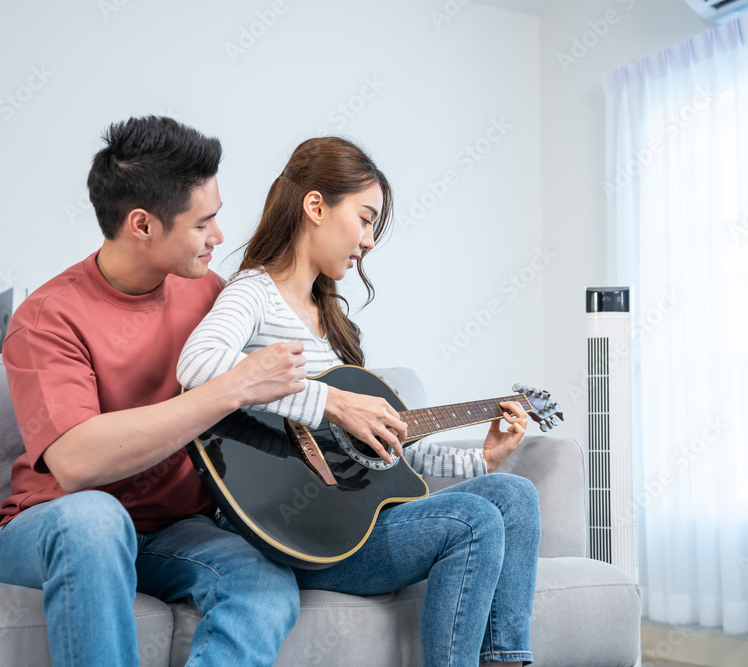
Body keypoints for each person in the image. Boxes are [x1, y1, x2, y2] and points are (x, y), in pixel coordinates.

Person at [177, 136, 541, 667]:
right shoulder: (252, 292)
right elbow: (198, 365)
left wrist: (480, 461)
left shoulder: (338, 330)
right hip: (291, 532)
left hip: (351, 518)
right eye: (366, 218)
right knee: (474, 520)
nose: (369, 241)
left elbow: (379, 461)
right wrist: (329, 402)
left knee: (514, 494)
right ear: (316, 206)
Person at [0, 116, 310, 667]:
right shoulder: (46, 318)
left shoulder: (209, 294)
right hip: (55, 524)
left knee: (264, 581)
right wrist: (230, 387)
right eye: (203, 222)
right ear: (142, 224)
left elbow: (281, 385)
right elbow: (77, 462)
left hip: (173, 533)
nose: (219, 237)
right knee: (96, 520)